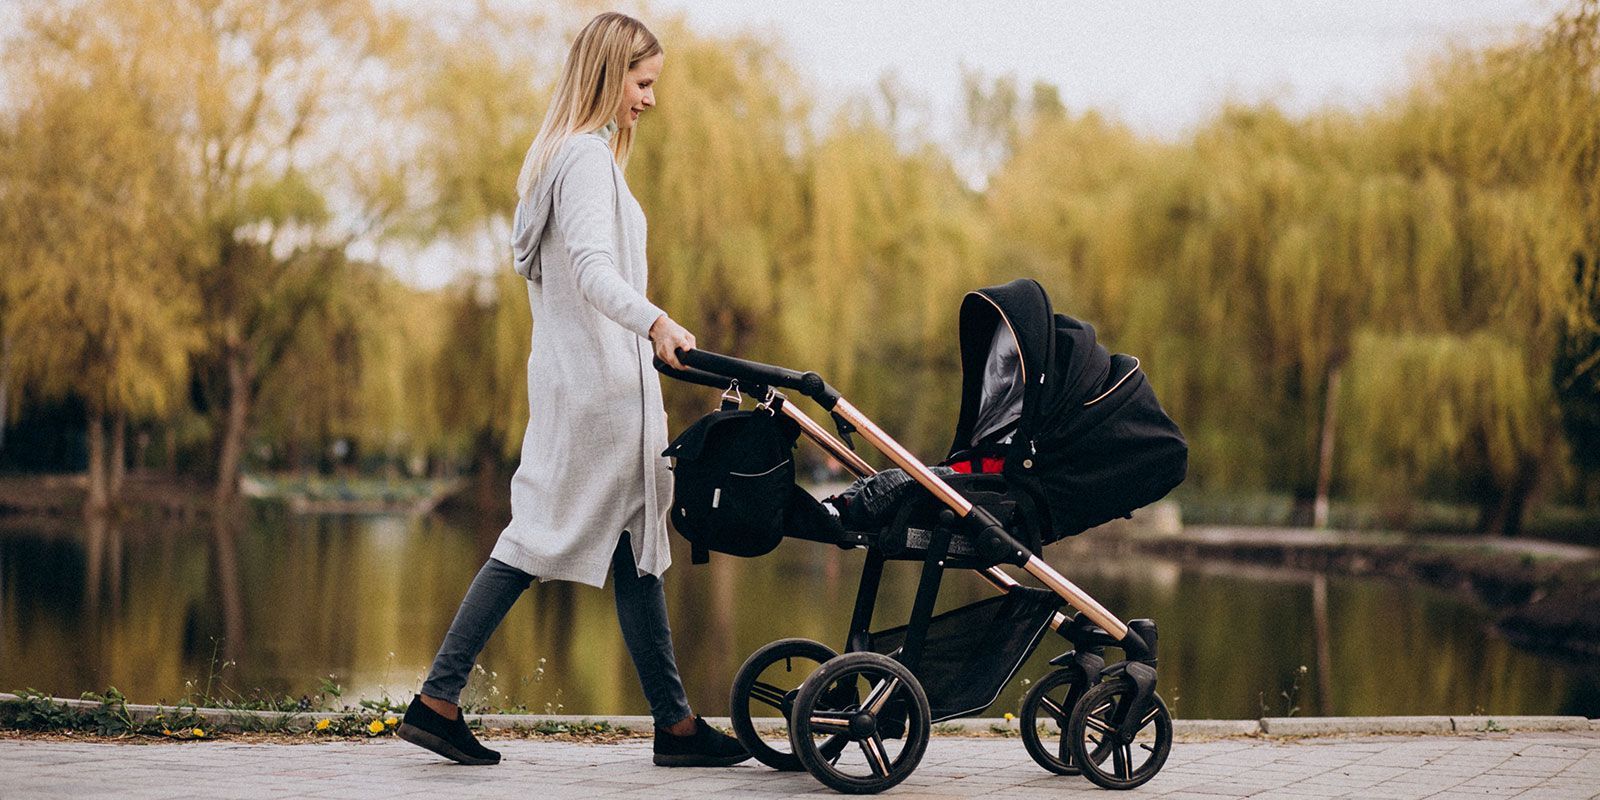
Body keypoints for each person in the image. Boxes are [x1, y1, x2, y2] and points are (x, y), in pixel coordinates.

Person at [397, 11, 747, 769]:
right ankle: (436, 698)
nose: (650, 100)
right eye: (642, 82)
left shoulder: (558, 161)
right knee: (537, 540)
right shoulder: (585, 162)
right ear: (607, 74)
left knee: (636, 549)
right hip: (605, 394)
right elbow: (592, 270)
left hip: (577, 387)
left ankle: (676, 727)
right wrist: (655, 321)